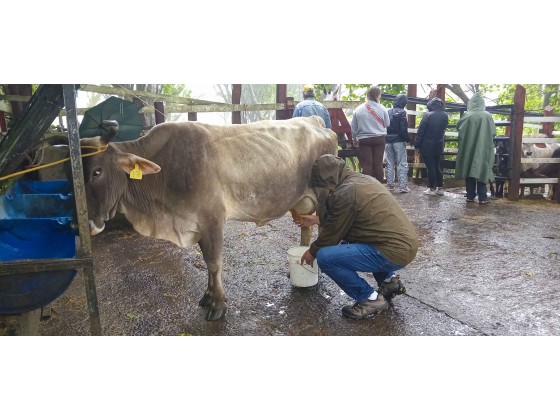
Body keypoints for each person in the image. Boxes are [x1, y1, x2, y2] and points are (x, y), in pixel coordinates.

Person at [292, 154, 419, 320]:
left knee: (326, 257)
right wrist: (315, 219)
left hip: (393, 252)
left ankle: (369, 299)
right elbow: (347, 217)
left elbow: (331, 236)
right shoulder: (361, 180)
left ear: (326, 180)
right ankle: (390, 282)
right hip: (404, 245)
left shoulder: (345, 192)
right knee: (353, 242)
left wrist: (312, 251)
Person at [454, 91, 496, 204]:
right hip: (483, 147)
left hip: (468, 147)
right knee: (482, 168)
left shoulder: (466, 115)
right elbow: (493, 132)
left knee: (468, 169)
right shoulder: (487, 116)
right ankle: (482, 197)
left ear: (470, 103)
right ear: (482, 103)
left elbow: (459, 129)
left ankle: (470, 195)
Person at [350, 85, 390, 183]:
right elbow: (387, 124)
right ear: (378, 96)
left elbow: (354, 128)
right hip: (379, 139)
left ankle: (367, 188)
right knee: (378, 164)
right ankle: (380, 187)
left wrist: (355, 140)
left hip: (364, 140)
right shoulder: (383, 108)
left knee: (367, 165)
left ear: (367, 95)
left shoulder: (358, 109)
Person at [414, 97, 449, 196]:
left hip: (427, 145)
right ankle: (440, 188)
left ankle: (432, 189)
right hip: (439, 144)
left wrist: (417, 144)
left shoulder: (428, 115)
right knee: (437, 166)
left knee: (431, 167)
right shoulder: (445, 115)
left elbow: (421, 131)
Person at [385, 94, 411, 193]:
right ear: (404, 103)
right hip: (399, 140)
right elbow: (403, 129)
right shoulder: (402, 112)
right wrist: (408, 139)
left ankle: (390, 185)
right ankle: (403, 186)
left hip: (388, 140)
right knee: (402, 163)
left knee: (389, 163)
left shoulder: (388, 112)